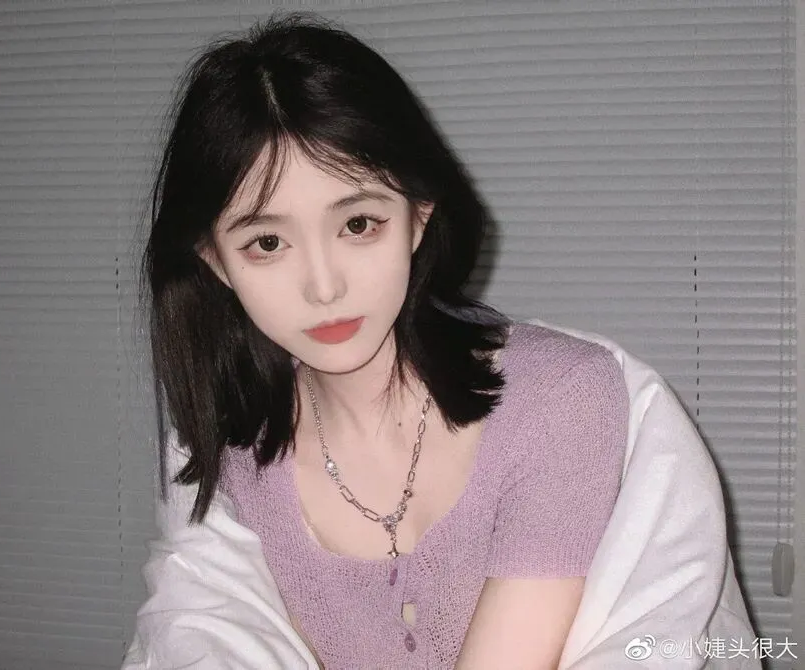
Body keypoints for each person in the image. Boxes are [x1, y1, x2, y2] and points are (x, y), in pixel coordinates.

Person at [136, 13, 629, 669]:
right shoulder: (234, 463)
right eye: (268, 242)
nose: (324, 287)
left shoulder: (559, 399)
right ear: (215, 262)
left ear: (419, 216)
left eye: (359, 224)